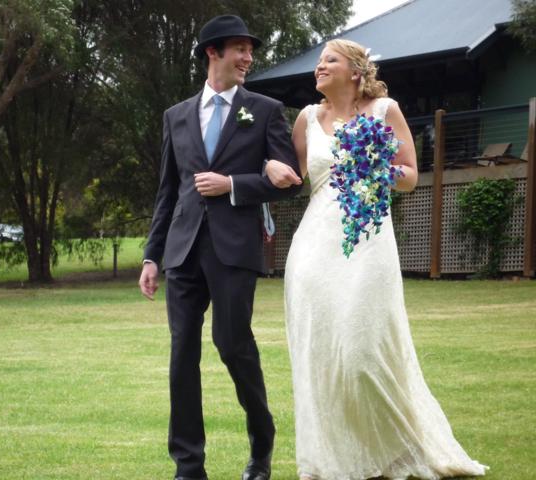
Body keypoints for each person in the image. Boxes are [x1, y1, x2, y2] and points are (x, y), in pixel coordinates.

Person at [265, 39, 488, 480]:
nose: (319, 68)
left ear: (355, 70)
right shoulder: (307, 119)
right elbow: (293, 179)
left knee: (363, 353)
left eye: (330, 60)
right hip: (314, 249)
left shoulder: (385, 109)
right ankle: (335, 460)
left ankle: (396, 453)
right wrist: (272, 169)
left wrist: (374, 168)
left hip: (368, 241)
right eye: (318, 62)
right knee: (323, 356)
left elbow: (409, 177)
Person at [138, 14, 302, 480]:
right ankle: (188, 466)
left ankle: (261, 444)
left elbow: (290, 182)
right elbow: (168, 192)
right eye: (239, 49)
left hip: (234, 249)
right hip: (183, 252)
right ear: (213, 53)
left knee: (233, 346)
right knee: (181, 354)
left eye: (250, 50)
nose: (248, 58)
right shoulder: (176, 116)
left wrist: (233, 184)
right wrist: (152, 255)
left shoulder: (266, 109)